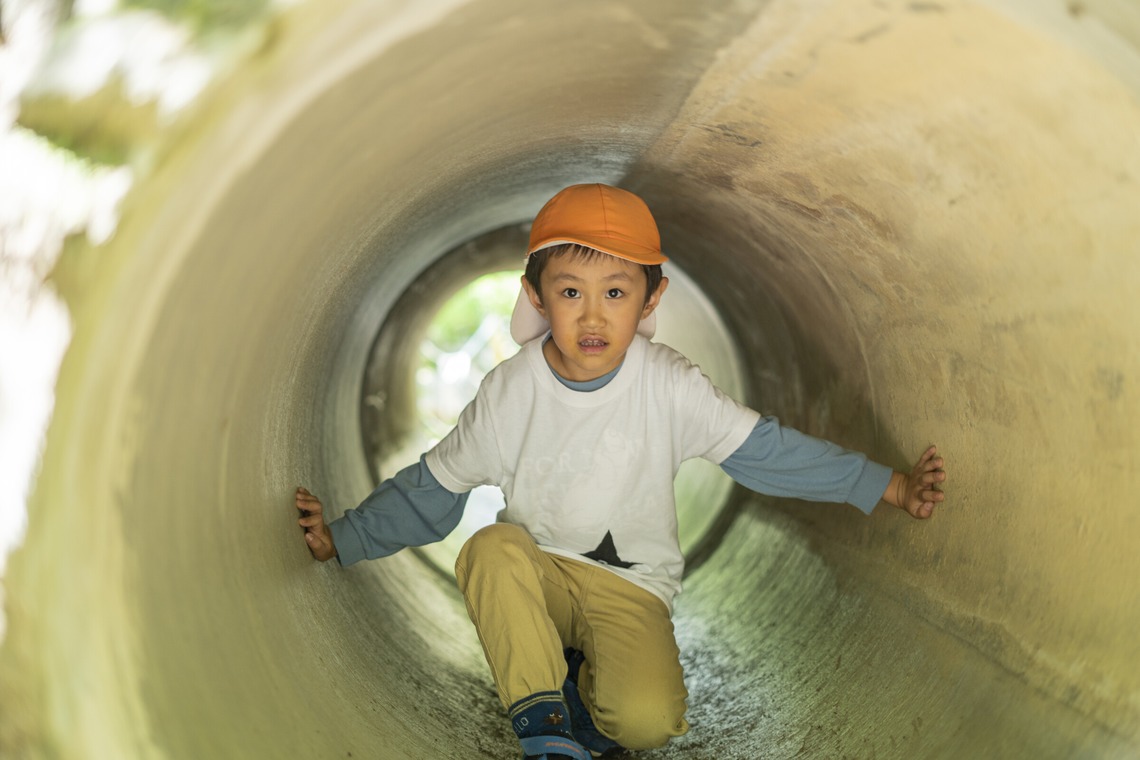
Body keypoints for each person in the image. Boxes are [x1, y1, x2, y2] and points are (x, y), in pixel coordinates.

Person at [295, 183, 947, 760]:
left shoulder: (669, 384)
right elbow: (434, 488)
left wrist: (887, 484)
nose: (593, 315)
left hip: (628, 586)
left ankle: (589, 695)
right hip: (538, 574)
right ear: (537, 296)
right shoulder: (510, 391)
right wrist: (344, 537)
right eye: (570, 292)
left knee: (647, 724)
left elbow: (765, 452)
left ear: (651, 296)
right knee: (490, 548)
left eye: (616, 292)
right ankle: (545, 726)